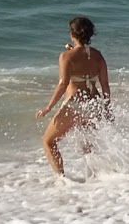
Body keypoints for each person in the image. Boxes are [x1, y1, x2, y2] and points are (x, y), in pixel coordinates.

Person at [36, 16, 111, 176]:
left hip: (75, 104)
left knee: (48, 142)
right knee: (88, 146)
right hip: (94, 103)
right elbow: (105, 86)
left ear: (72, 35)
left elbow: (63, 84)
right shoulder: (98, 56)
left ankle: (62, 181)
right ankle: (97, 178)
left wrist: (48, 107)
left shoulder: (66, 56)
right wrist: (107, 108)